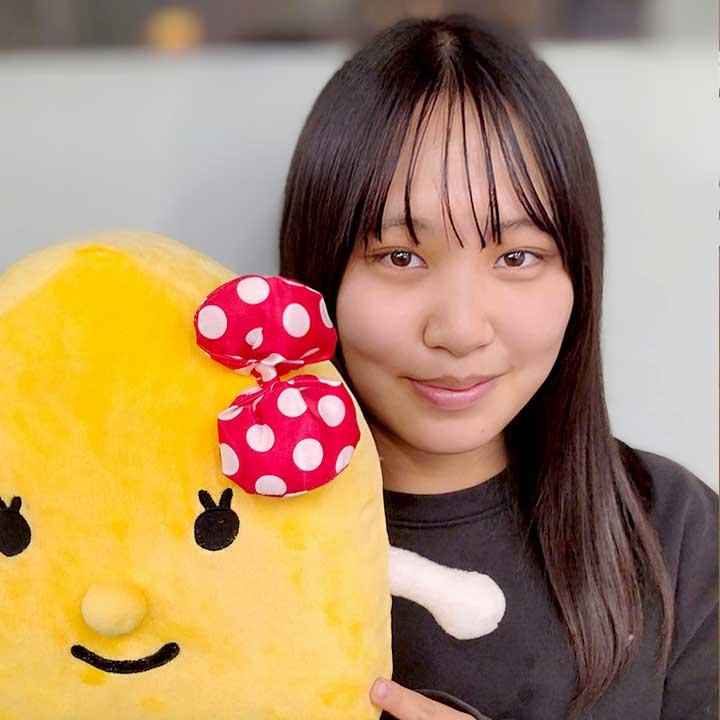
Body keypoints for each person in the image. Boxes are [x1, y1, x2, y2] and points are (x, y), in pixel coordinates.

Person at [278, 14, 718, 720]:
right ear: (319, 275)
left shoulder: (675, 532)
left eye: (516, 257)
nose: (459, 330)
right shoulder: (214, 526)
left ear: (579, 277)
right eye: (400, 256)